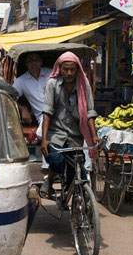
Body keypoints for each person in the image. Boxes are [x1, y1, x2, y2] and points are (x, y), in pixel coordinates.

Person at [39, 51, 101, 197]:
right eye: (65, 69)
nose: (69, 73)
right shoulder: (52, 84)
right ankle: (50, 180)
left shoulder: (83, 84)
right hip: (56, 134)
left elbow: (90, 112)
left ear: (77, 69)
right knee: (56, 160)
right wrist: (44, 139)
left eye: (72, 69)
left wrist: (94, 137)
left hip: (75, 134)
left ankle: (78, 200)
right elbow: (47, 112)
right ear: (60, 69)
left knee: (79, 170)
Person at [12, 52, 52, 125]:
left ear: (41, 62)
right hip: (43, 118)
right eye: (30, 60)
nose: (34, 62)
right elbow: (9, 98)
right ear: (26, 63)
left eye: (37, 60)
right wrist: (22, 109)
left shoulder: (51, 73)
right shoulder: (21, 81)